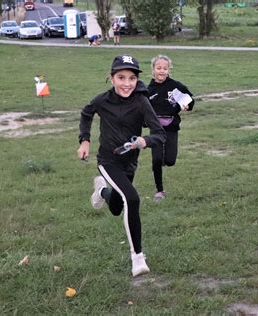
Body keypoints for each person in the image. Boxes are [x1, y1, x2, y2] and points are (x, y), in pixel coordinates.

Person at [77, 55, 166, 277]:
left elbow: (160, 134)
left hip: (129, 162)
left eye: (132, 78)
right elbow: (86, 113)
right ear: (111, 78)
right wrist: (85, 141)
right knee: (132, 199)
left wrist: (145, 141)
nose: (127, 83)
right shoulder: (102, 100)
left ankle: (101, 190)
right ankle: (137, 258)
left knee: (117, 207)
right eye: (121, 77)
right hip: (108, 161)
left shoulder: (141, 101)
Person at [147, 55, 195, 202]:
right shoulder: (148, 90)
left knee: (170, 160)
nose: (162, 71)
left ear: (169, 70)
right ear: (153, 69)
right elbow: (141, 108)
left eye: (165, 68)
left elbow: (190, 99)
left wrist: (188, 106)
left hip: (172, 127)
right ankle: (159, 190)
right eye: (159, 68)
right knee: (156, 159)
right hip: (156, 129)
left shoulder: (175, 86)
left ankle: (163, 160)